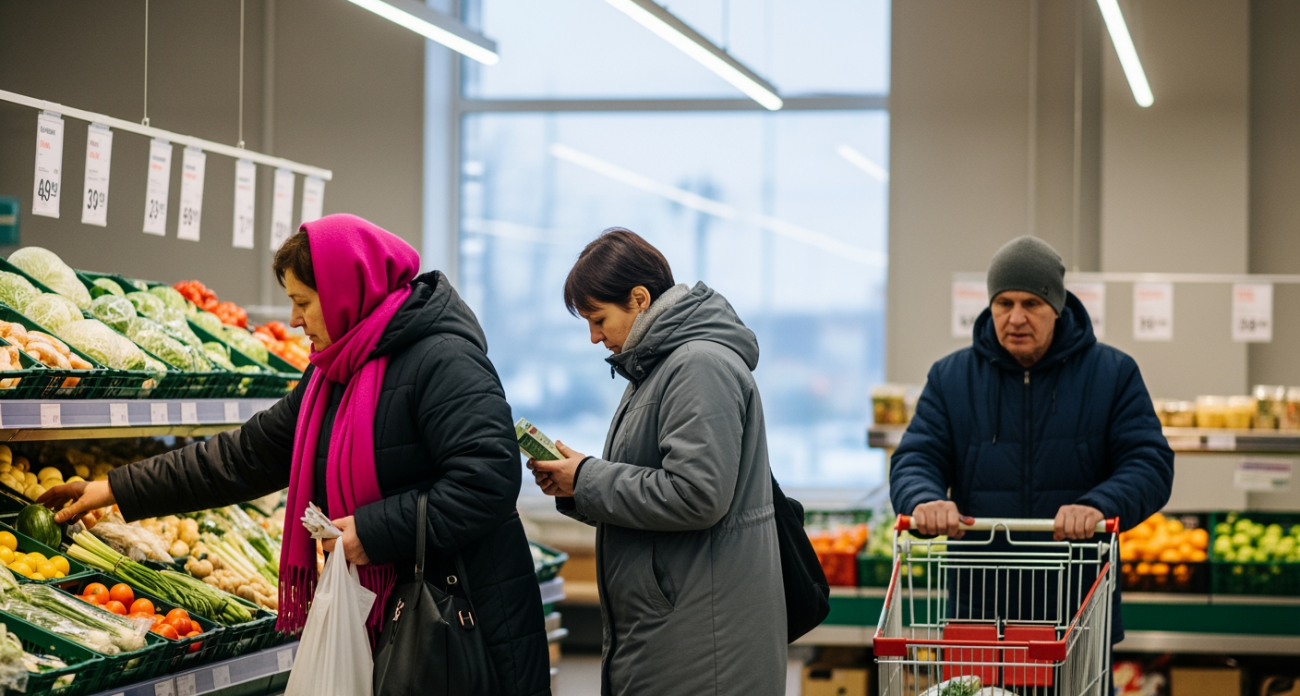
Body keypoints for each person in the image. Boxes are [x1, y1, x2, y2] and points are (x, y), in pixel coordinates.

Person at [41, 214, 551, 696]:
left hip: (464, 622)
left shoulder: (444, 358)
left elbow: (487, 480)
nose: (293, 318)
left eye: (303, 302)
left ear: (348, 292)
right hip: (385, 614)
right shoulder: (334, 370)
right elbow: (244, 456)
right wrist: (112, 488)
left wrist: (373, 531)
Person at [528, 228, 786, 696]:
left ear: (640, 298)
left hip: (700, 637)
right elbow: (653, 487)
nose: (593, 336)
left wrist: (587, 476)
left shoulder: (697, 365)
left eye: (598, 318)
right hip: (674, 623)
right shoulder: (657, 367)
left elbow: (697, 496)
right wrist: (575, 485)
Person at [889, 235, 1174, 644]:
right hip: (980, 614)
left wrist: (1098, 506)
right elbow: (916, 456)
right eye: (1005, 304)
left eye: (1032, 304)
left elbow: (1150, 464)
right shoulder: (951, 378)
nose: (1016, 318)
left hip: (1077, 611)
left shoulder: (1113, 374)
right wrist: (923, 497)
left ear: (1056, 307)